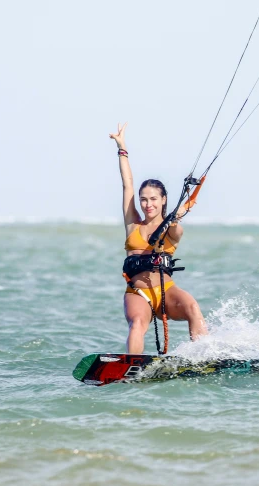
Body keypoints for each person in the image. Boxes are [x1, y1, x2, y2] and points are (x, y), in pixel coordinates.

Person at [109, 123, 208, 354]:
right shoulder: (133, 223)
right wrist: (122, 148)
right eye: (144, 199)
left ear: (163, 200)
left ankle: (205, 357)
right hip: (138, 293)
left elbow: (177, 232)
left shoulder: (172, 229)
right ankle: (132, 366)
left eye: (153, 199)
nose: (147, 204)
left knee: (192, 306)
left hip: (166, 292)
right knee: (137, 325)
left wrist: (172, 221)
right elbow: (128, 184)